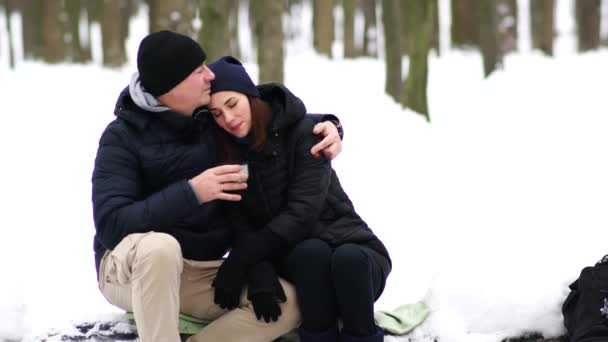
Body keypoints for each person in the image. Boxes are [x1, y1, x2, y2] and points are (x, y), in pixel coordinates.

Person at [91, 31, 344, 342]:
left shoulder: (210, 120)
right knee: (161, 249)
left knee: (289, 304)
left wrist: (329, 127)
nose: (210, 75)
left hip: (198, 270)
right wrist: (192, 192)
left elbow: (262, 107)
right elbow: (111, 225)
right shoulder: (122, 137)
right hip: (129, 271)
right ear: (174, 85)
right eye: (199, 71)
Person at [206, 56, 392, 342]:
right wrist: (259, 271)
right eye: (217, 114)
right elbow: (239, 222)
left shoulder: (307, 133)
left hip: (354, 252)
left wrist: (242, 260)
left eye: (232, 104)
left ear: (251, 95)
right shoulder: (228, 153)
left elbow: (302, 212)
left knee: (347, 259)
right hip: (300, 261)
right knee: (310, 254)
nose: (228, 119)